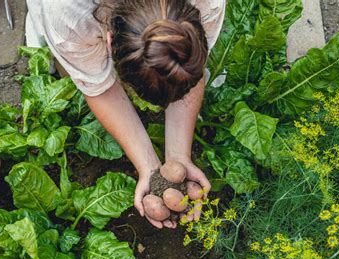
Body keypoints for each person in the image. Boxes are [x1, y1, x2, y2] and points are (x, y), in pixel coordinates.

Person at [25, 0, 226, 229]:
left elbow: (183, 68)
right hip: (68, 16)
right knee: (67, 53)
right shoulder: (68, 15)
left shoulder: (208, 3)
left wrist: (177, 157)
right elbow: (100, 89)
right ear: (110, 43)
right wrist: (147, 166)